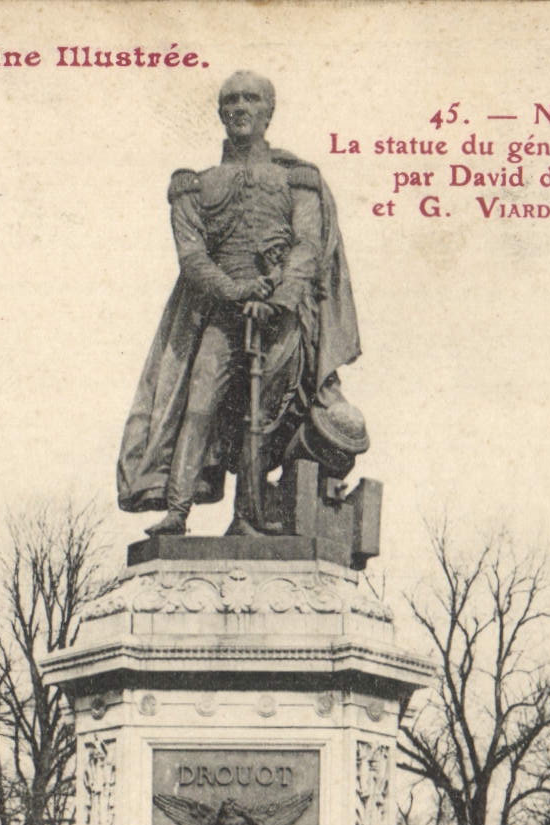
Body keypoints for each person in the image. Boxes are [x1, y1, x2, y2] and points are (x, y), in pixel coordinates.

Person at [117, 71, 367, 537]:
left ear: (268, 111)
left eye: (251, 99)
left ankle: (247, 517)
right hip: (221, 313)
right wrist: (237, 293)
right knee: (199, 405)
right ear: (219, 112)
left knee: (265, 418)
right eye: (230, 100)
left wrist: (275, 300)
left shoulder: (299, 180)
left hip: (282, 317)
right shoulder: (194, 185)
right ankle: (177, 511)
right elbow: (192, 257)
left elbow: (307, 247)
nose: (239, 107)